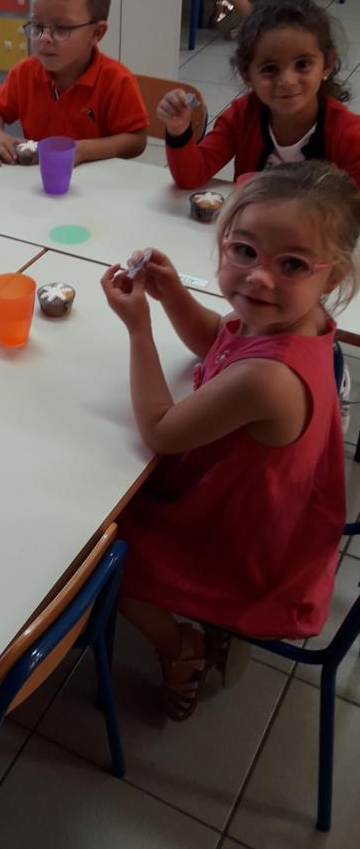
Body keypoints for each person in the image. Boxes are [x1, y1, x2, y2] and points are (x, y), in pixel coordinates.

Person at [101, 161, 359, 720]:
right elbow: (217, 341)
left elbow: (162, 431)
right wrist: (172, 295)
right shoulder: (294, 319)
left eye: (292, 264)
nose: (259, 278)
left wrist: (139, 327)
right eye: (244, 251)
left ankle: (181, 647)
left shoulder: (268, 379)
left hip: (241, 544)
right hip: (262, 509)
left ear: (333, 278)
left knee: (102, 555)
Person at [158, 0, 360, 191]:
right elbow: (191, 177)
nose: (287, 81)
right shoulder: (241, 116)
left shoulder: (348, 134)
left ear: (327, 64)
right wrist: (178, 130)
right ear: (247, 75)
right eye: (270, 69)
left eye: (303, 64)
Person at [0, 0, 148, 167]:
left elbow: (136, 141)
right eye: (38, 26)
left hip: (95, 182)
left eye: (62, 29)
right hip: (42, 179)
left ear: (96, 33)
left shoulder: (116, 81)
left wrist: (83, 151)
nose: (45, 38)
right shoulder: (25, 73)